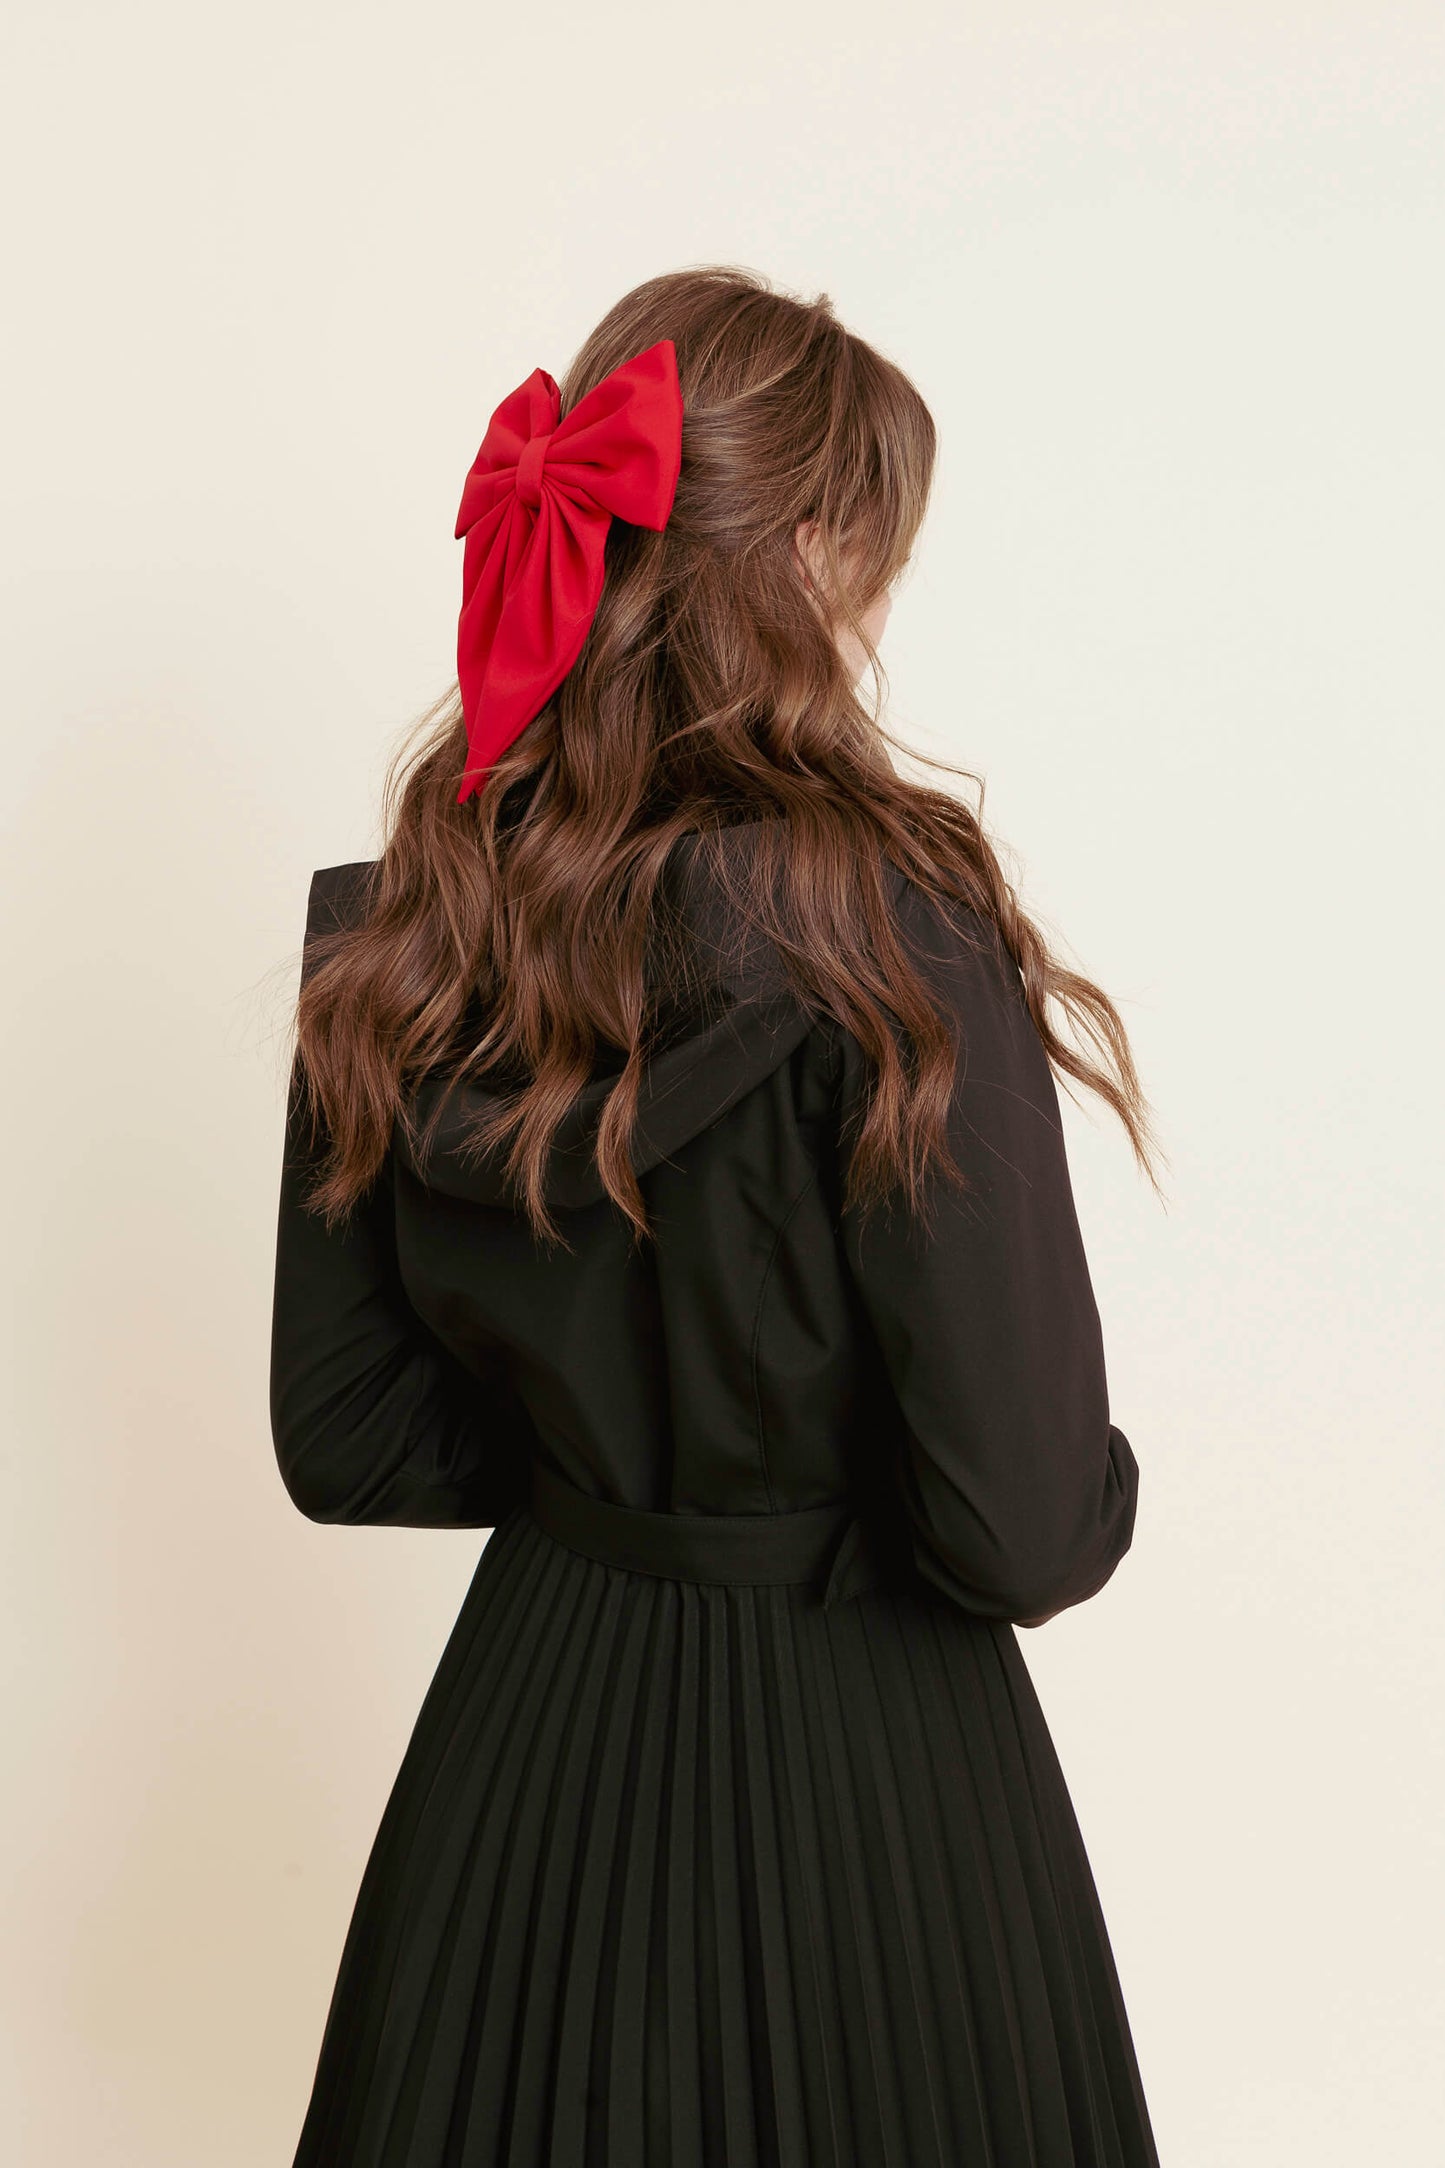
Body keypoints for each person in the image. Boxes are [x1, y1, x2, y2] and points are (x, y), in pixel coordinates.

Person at [269, 264, 1167, 2167]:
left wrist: (613, 1466)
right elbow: (1012, 1521)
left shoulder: (411, 925)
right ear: (814, 550)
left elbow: (344, 1441)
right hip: (879, 1798)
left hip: (526, 1772)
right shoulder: (893, 931)